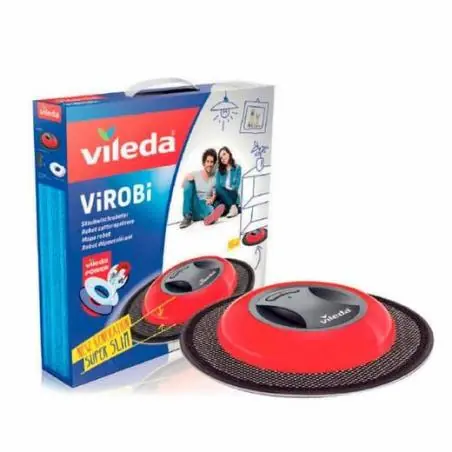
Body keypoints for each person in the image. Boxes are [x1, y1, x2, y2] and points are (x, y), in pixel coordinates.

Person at [180, 149, 225, 229]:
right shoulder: (196, 174)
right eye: (207, 161)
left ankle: (209, 218)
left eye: (212, 162)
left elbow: (215, 192)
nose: (209, 164)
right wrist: (186, 177)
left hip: (204, 207)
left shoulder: (214, 178)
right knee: (188, 182)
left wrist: (212, 199)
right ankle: (187, 216)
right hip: (195, 206)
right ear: (204, 162)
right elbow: (183, 186)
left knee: (209, 207)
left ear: (214, 163)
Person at [215, 146, 242, 218]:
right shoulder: (219, 171)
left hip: (232, 194)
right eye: (221, 158)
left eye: (224, 154)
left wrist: (227, 188)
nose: (223, 158)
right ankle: (234, 209)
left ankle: (233, 206)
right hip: (223, 197)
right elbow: (217, 187)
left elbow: (236, 185)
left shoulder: (237, 168)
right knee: (216, 205)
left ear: (229, 154)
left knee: (219, 187)